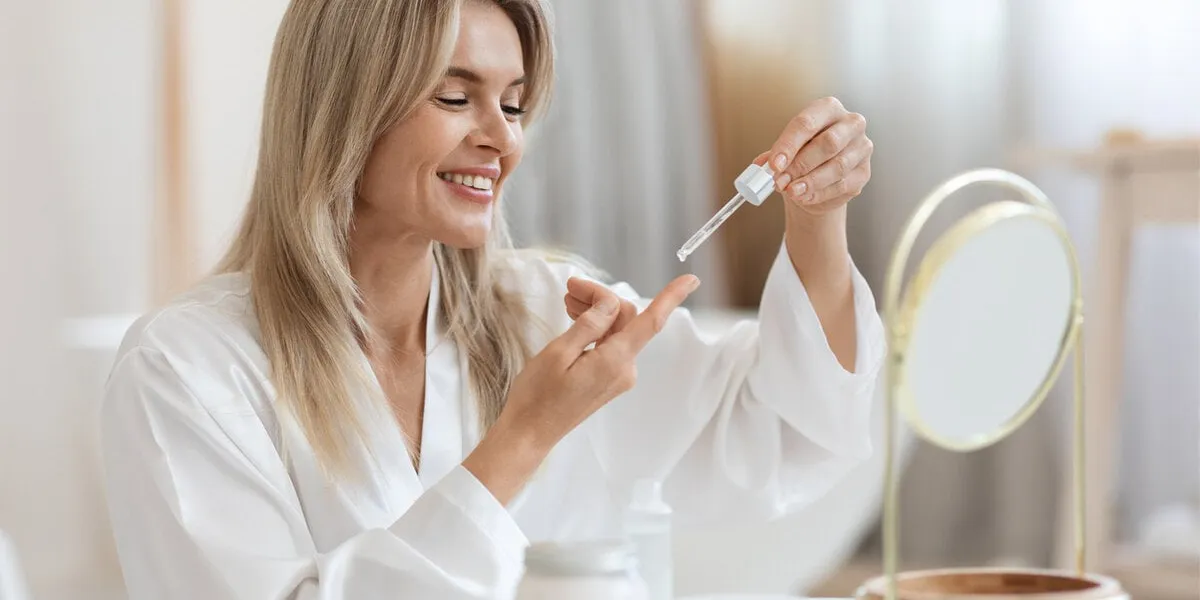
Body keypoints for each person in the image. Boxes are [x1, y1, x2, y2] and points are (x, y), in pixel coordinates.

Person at [99, 0, 883, 598]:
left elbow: (791, 434)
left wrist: (816, 220)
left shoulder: (549, 313)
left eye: (512, 104)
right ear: (344, 107)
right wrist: (525, 437)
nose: (504, 140)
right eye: (454, 97)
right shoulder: (187, 368)